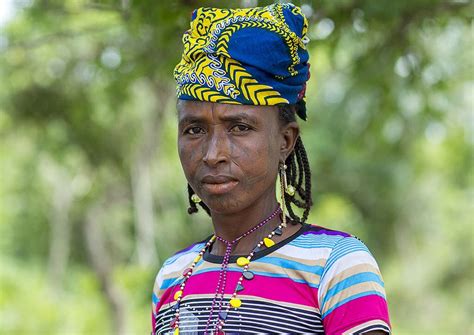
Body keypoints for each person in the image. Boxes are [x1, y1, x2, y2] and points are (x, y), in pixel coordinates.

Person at [152, 3, 391, 334]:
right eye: (194, 129)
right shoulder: (172, 277)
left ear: (285, 140)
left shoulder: (335, 266)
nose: (213, 154)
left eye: (239, 127)